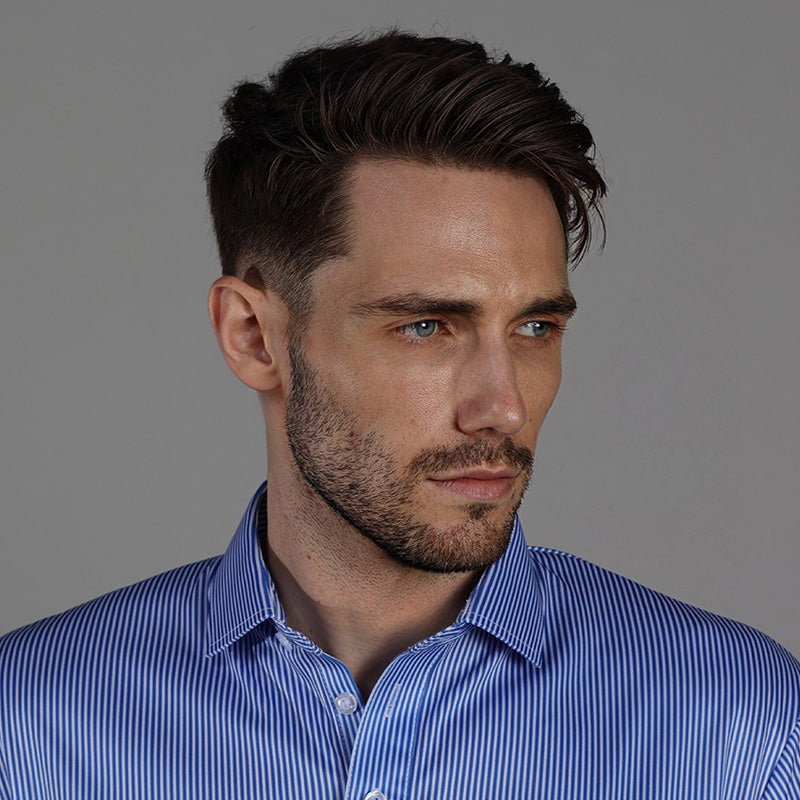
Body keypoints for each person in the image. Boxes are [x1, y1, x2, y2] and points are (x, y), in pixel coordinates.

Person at [0, 30, 798, 799]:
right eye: (425, 326)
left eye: (534, 328)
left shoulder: (741, 728)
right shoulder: (29, 728)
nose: (504, 406)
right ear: (253, 336)